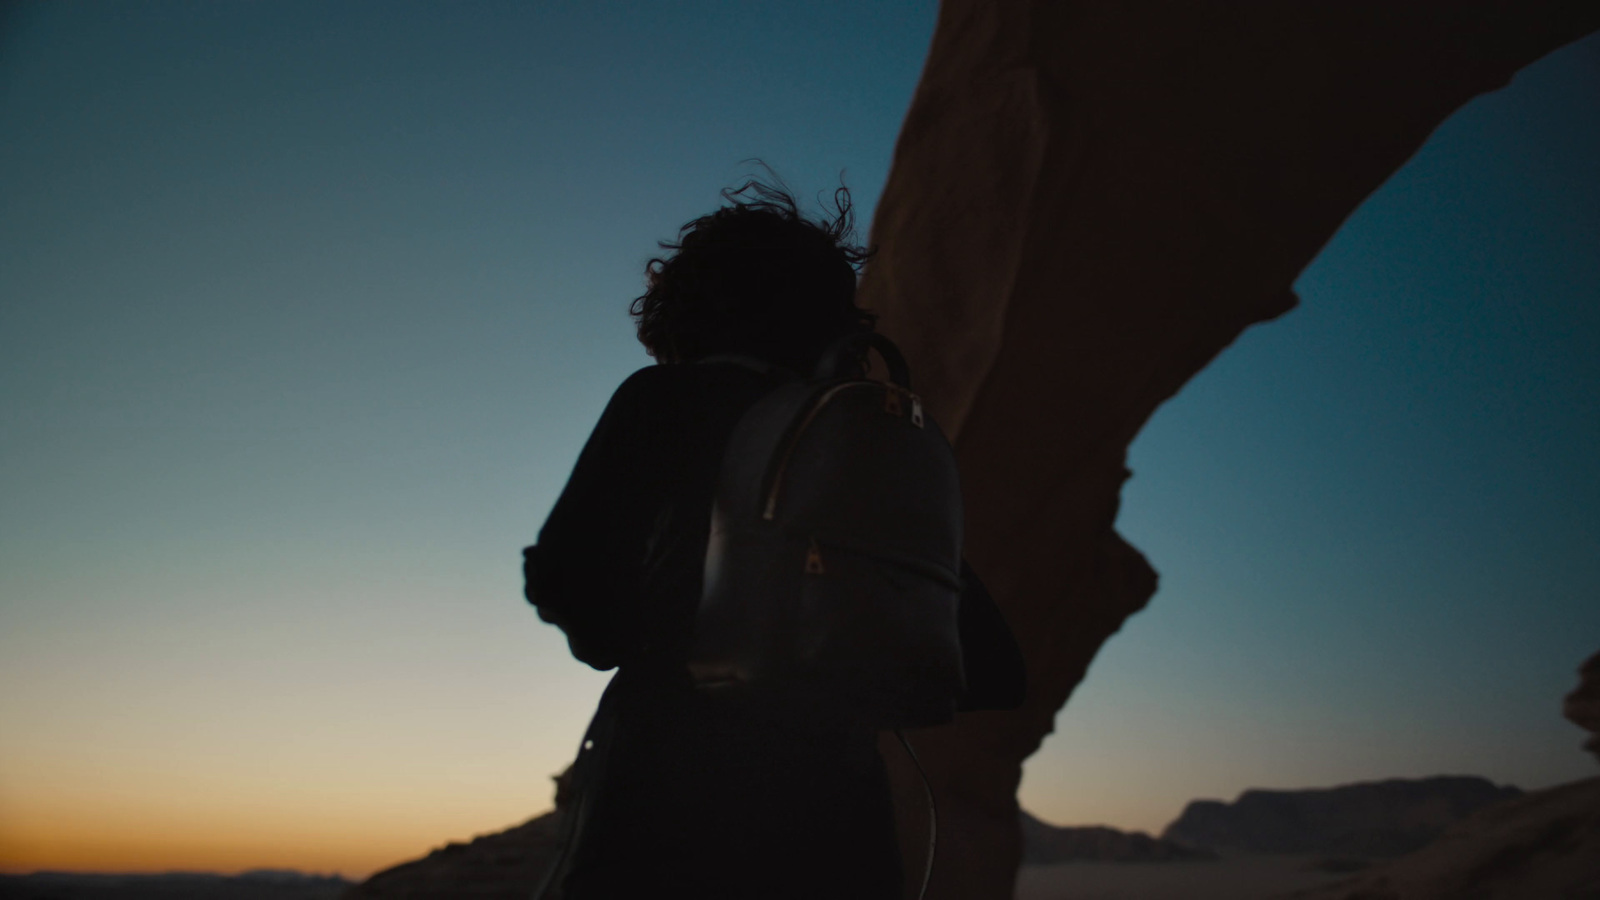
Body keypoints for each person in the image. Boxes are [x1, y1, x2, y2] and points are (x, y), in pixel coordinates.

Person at [524, 177, 1025, 899]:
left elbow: (570, 586)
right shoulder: (870, 445)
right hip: (841, 833)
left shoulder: (666, 401)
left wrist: (662, 640)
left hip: (668, 808)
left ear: (687, 306)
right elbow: (996, 671)